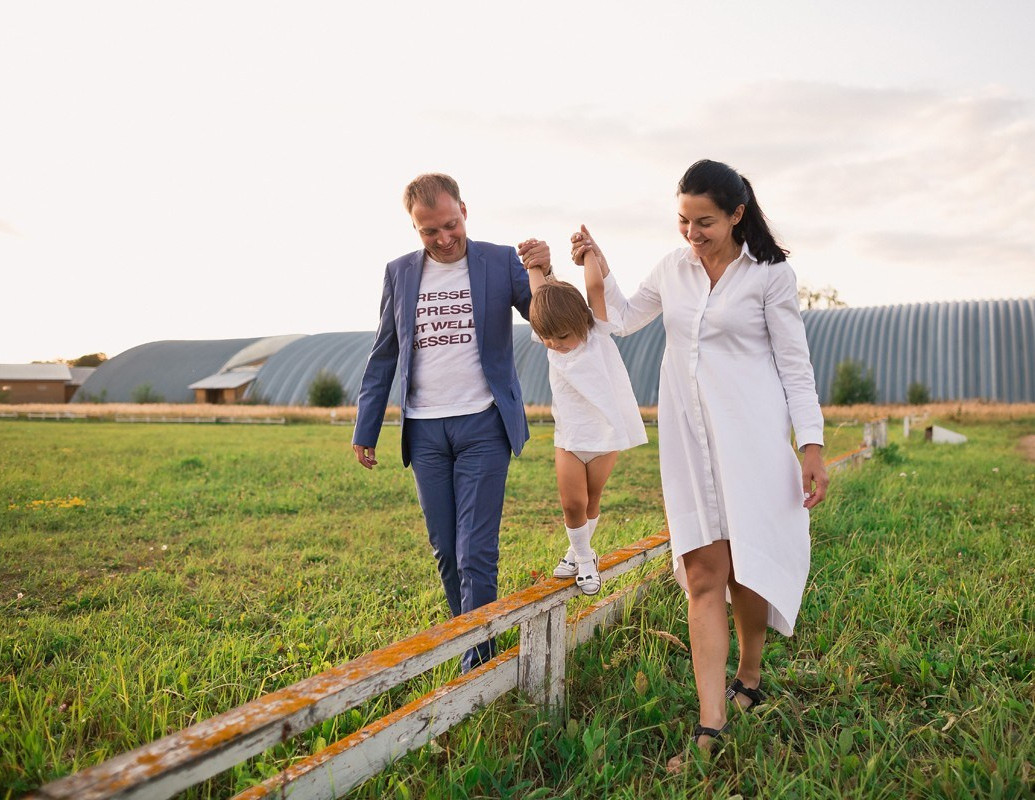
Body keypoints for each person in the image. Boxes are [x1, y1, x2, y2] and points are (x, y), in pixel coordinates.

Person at [571, 159, 829, 757]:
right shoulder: (672, 269)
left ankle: (752, 674)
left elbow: (795, 364)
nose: (691, 233)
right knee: (705, 572)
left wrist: (810, 445)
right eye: (683, 220)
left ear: (737, 215)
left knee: (749, 563)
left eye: (704, 221)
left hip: (752, 437)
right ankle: (710, 723)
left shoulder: (770, 276)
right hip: (687, 439)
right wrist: (594, 270)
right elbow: (621, 320)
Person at [352, 173, 553, 673]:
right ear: (414, 228)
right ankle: (476, 639)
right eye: (429, 231)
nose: (443, 239)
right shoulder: (400, 272)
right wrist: (366, 427)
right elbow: (384, 354)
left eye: (450, 225)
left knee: (475, 550)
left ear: (464, 209)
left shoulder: (499, 260)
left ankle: (477, 658)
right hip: (424, 431)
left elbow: (548, 320)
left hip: (484, 424)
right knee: (445, 549)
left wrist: (543, 271)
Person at [519, 241, 649, 595]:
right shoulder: (550, 329)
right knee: (572, 502)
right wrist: (532, 262)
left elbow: (594, 288)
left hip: (606, 436)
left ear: (580, 322)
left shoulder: (597, 330)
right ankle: (585, 558)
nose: (554, 344)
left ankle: (576, 551)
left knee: (592, 499)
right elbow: (539, 294)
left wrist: (590, 253)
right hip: (571, 437)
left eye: (561, 337)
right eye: (546, 338)